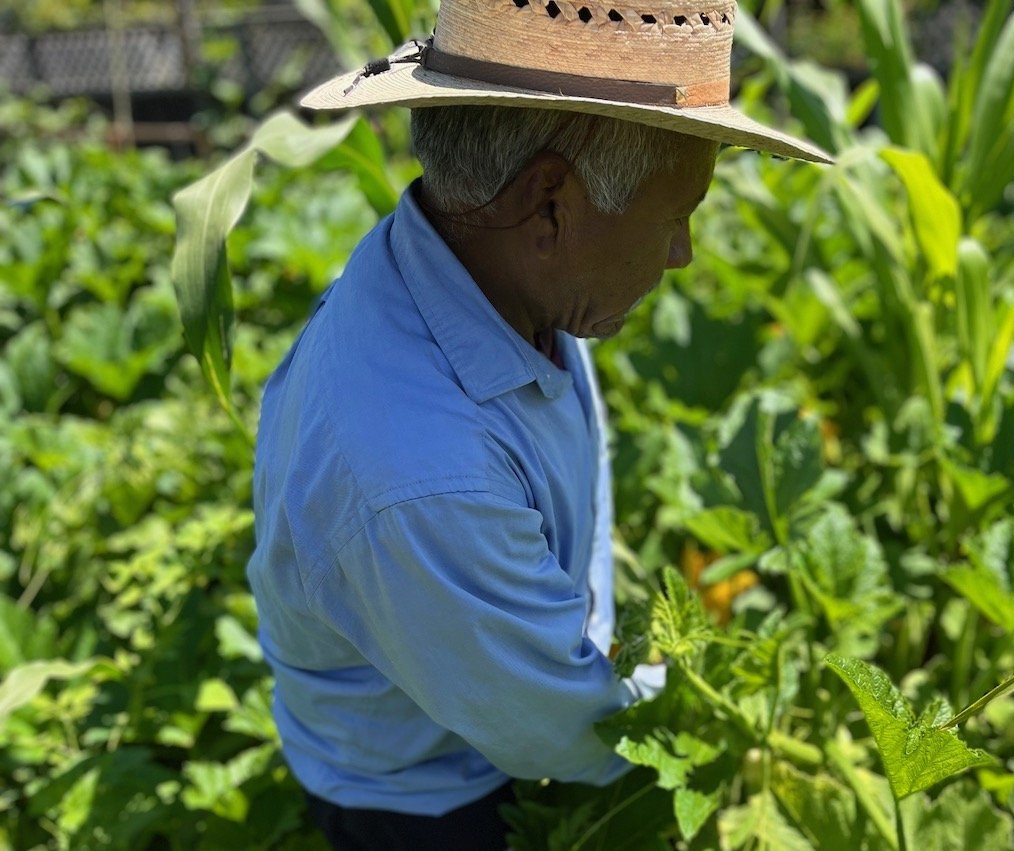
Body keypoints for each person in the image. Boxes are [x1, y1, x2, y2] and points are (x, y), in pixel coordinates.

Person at [246, 1, 832, 848]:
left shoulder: (487, 272)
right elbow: (559, 728)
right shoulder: (422, 472)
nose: (682, 254)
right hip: (433, 802)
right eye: (677, 214)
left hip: (491, 704)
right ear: (551, 203)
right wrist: (730, 725)